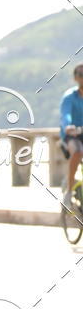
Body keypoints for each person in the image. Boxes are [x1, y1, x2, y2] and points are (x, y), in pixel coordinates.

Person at [60, 64, 83, 205]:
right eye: (80, 75)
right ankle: (68, 191)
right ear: (75, 78)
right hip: (72, 135)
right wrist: (68, 126)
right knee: (78, 151)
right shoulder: (69, 96)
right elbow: (66, 114)